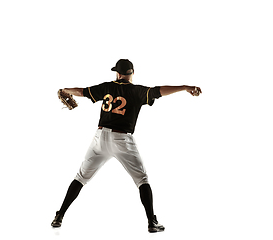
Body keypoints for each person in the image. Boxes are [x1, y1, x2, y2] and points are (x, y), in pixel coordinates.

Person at [51, 59, 202, 233]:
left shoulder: (107, 87)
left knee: (80, 177)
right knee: (142, 180)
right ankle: (152, 222)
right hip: (122, 140)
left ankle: (59, 216)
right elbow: (159, 91)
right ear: (132, 73)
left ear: (118, 73)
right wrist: (184, 87)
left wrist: (64, 90)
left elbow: (82, 91)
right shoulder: (137, 91)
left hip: (99, 139)